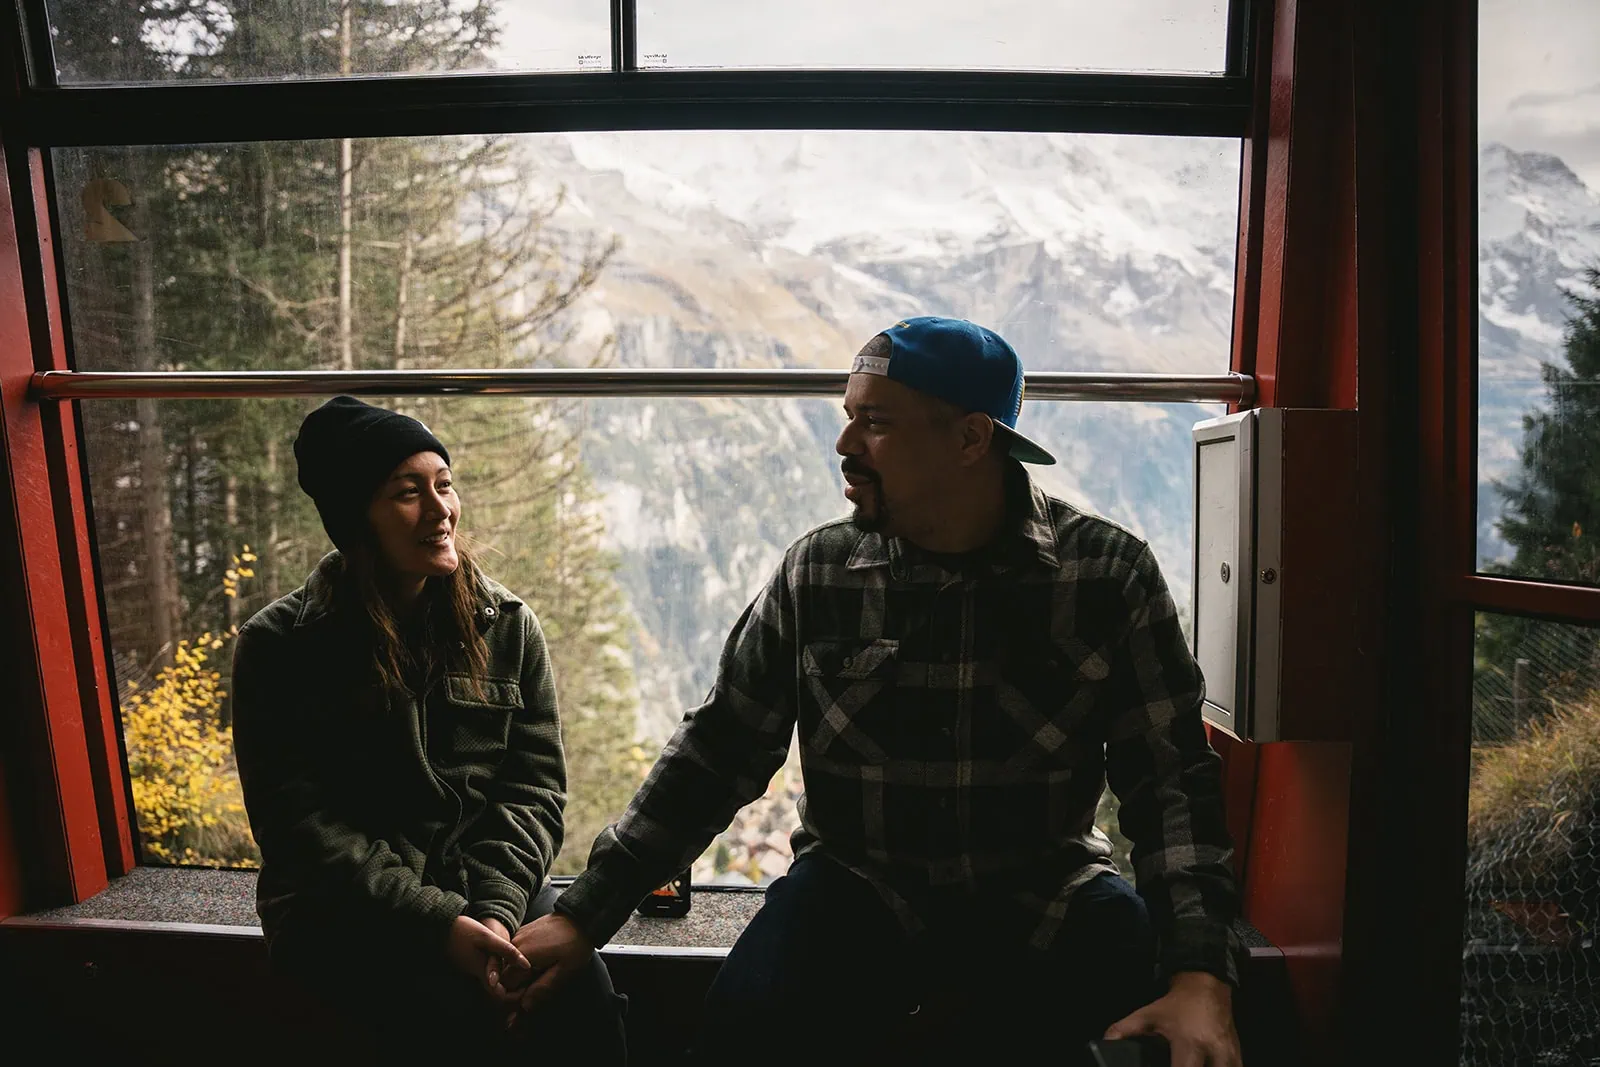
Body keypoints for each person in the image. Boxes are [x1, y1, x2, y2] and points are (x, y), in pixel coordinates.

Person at [517, 316, 1245, 1066]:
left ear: (970, 439)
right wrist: (584, 915)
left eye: (876, 422)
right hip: (854, 890)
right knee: (744, 1026)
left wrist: (1202, 977)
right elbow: (718, 749)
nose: (845, 444)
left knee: (1122, 985)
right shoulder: (818, 573)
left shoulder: (1106, 576)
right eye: (848, 417)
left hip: (1046, 893)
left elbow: (1171, 786)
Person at [231, 396, 627, 1059]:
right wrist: (441, 925)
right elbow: (300, 828)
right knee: (443, 1011)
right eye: (407, 493)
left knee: (580, 996)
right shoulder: (279, 647)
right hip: (347, 910)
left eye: (444, 485)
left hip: (488, 889)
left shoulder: (507, 627)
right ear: (357, 516)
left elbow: (532, 792)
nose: (440, 508)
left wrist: (497, 911)